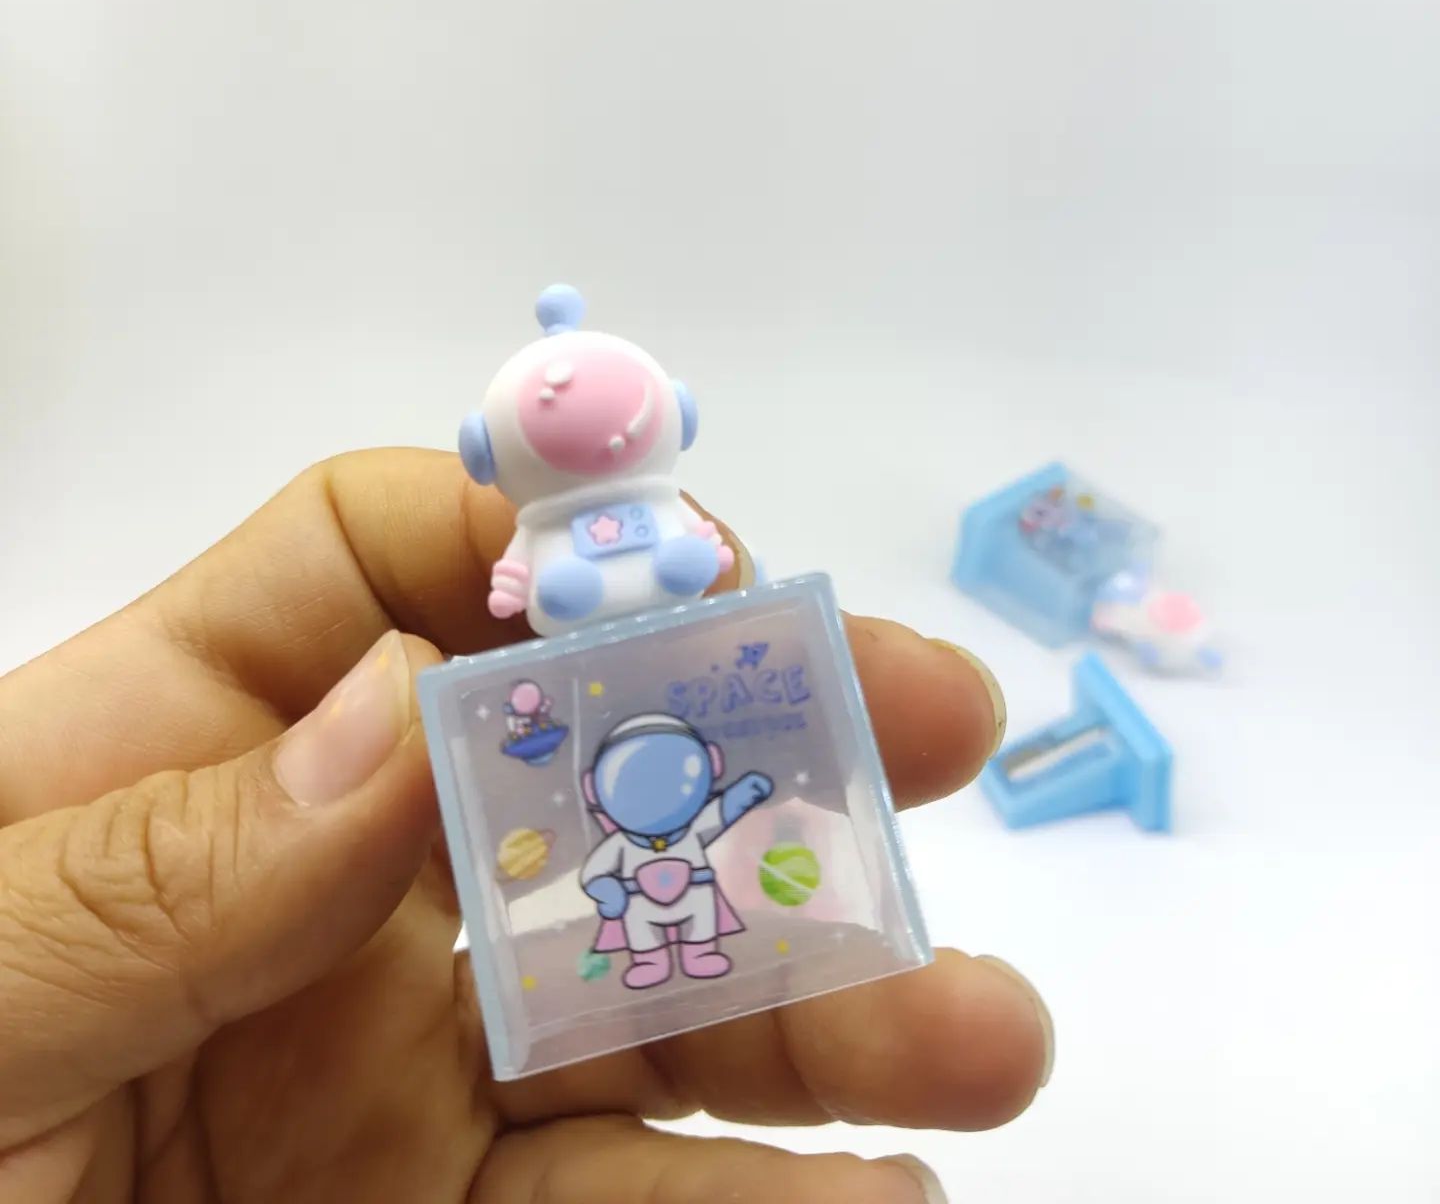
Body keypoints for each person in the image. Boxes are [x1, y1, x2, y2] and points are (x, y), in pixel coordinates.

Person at [0, 449, 1053, 1203]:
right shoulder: (607, 818)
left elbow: (729, 807)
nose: (671, 797)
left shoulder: (690, 801)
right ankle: (665, 948)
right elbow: (609, 865)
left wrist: (712, 821)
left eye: (682, 781)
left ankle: (676, 948)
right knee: (663, 928)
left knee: (699, 924)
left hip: (688, 897)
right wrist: (614, 882)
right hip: (637, 905)